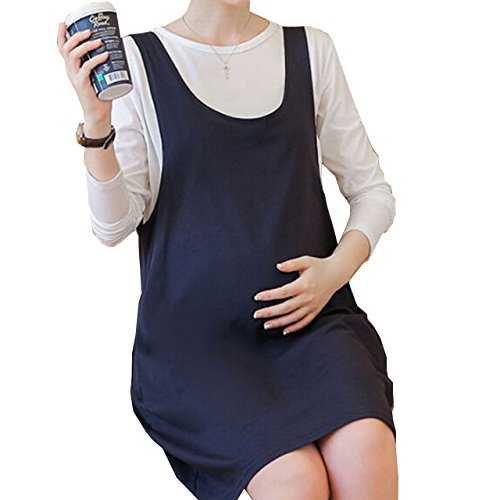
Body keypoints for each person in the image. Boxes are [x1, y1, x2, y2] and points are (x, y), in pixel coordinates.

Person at [57, 1, 398, 498]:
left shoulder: (311, 50)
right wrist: (96, 123)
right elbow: (113, 226)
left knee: (366, 447)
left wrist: (333, 273)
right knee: (296, 481)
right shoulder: (137, 62)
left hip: (313, 327)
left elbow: (373, 192)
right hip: (198, 345)